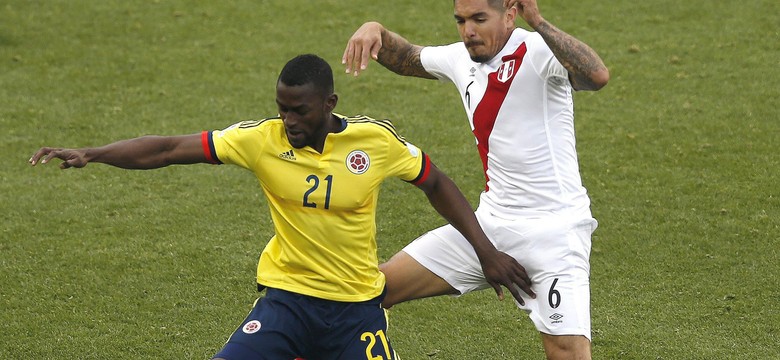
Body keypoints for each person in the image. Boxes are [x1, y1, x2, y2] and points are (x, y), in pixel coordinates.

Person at [29, 54, 534, 360]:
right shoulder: (261, 141)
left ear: (329, 102)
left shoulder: (373, 143)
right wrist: (93, 154)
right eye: (282, 107)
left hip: (356, 310)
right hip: (286, 301)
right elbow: (167, 149)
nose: (288, 119)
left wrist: (485, 252)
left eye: (300, 109)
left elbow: (436, 182)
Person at [343, 0, 609, 358]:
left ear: (510, 14)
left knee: (567, 351)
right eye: (461, 20)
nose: (469, 31)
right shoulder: (460, 59)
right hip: (490, 226)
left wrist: (539, 22)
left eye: (479, 19)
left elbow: (596, 76)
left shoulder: (538, 51)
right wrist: (376, 29)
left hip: (555, 234)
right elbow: (407, 57)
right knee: (374, 287)